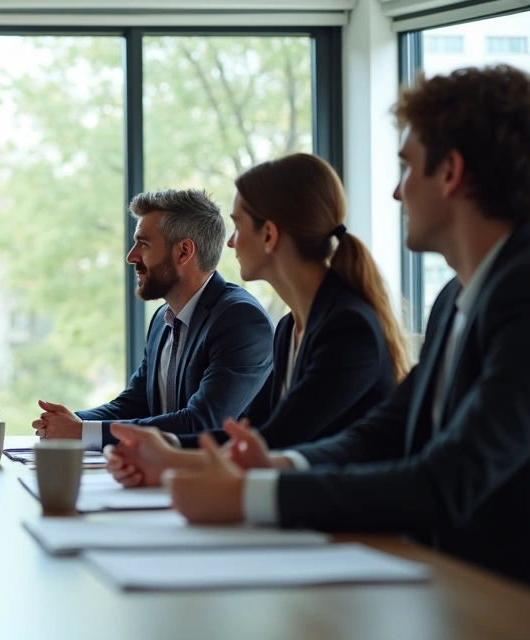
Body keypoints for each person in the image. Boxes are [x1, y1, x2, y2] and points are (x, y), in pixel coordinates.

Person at [158, 65, 530, 586]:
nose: (398, 194)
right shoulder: (456, 298)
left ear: (451, 174)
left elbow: (450, 477)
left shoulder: (518, 298)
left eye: (408, 168)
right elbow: (382, 434)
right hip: (444, 582)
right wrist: (277, 470)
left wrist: (256, 492)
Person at [108, 154, 411, 486]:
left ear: (269, 235)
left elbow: (279, 440)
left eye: (238, 227)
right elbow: (258, 436)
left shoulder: (347, 327)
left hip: (349, 526)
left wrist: (169, 453)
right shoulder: (287, 329)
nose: (230, 242)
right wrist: (161, 449)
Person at [32, 189, 273, 450]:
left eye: (143, 244)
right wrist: (72, 421)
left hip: (222, 485)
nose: (131, 256)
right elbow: (136, 403)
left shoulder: (240, 320)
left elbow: (202, 423)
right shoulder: (163, 319)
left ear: (183, 252)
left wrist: (83, 431)